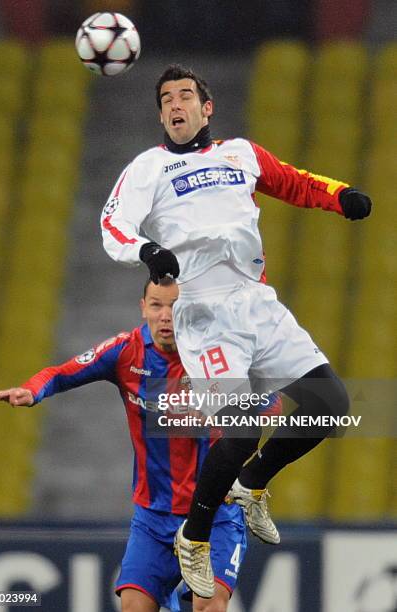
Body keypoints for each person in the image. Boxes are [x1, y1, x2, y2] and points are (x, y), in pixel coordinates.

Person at [100, 64, 372, 598]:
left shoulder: (240, 153)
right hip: (203, 315)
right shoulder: (146, 168)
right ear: (161, 115)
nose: (174, 104)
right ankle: (194, 537)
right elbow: (113, 226)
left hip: (257, 301)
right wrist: (146, 251)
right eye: (165, 99)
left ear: (207, 108)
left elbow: (294, 182)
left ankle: (251, 482)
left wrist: (340, 197)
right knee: (241, 428)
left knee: (331, 402)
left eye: (185, 95)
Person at [0, 278, 281, 612]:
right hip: (154, 517)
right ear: (142, 307)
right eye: (157, 305)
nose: (166, 316)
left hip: (216, 514)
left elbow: (271, 406)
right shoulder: (125, 351)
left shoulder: (218, 356)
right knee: (133, 606)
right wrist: (33, 390)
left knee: (209, 606)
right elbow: (61, 373)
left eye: (175, 306)